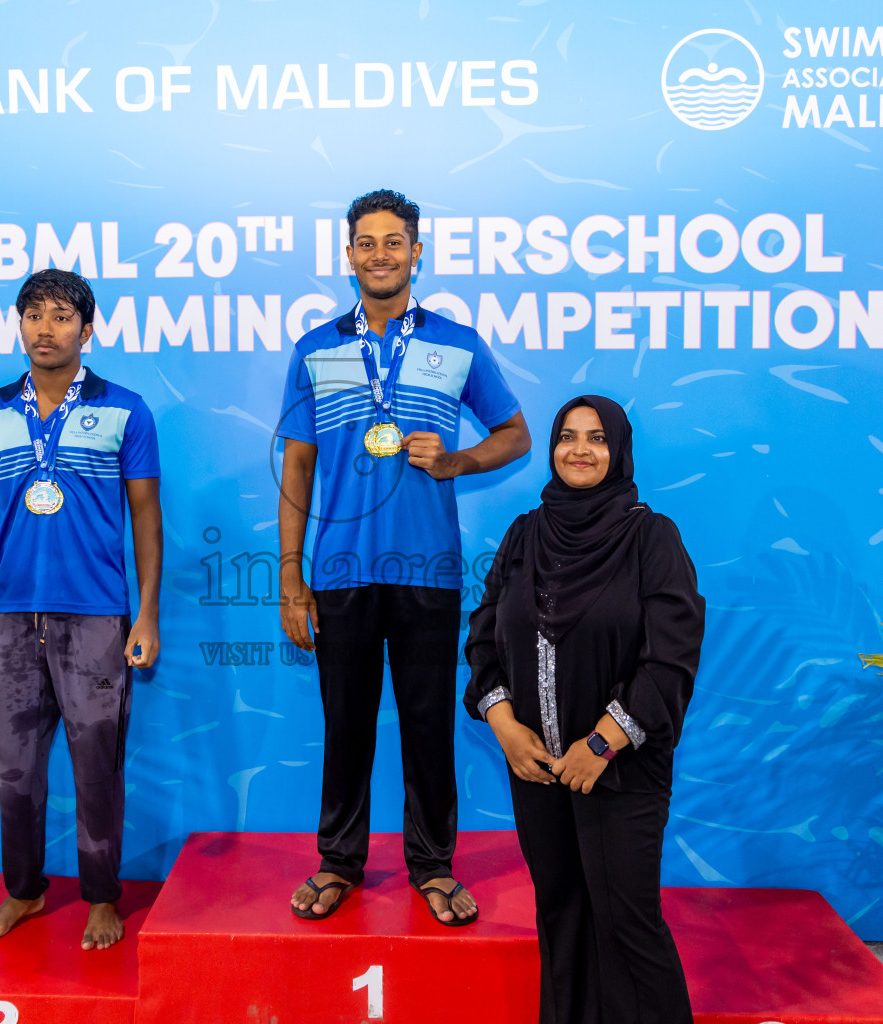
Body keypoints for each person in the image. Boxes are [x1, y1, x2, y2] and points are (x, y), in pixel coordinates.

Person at [276, 188, 531, 925]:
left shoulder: (457, 342)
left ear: (417, 253)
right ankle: (337, 863)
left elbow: (514, 435)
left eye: (395, 242)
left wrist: (458, 462)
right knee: (344, 724)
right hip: (340, 570)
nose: (380, 254)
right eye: (367, 242)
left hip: (429, 569)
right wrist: (292, 576)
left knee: (428, 725)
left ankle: (433, 866)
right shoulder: (316, 349)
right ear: (349, 254)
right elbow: (296, 468)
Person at [464, 396, 703, 1024]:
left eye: (596, 439)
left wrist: (599, 745)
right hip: (537, 771)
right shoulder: (524, 534)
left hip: (617, 771)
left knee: (626, 919)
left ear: (618, 450)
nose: (579, 450)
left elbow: (670, 660)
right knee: (562, 914)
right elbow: (484, 639)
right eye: (567, 437)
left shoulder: (651, 537)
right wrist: (507, 728)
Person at [0, 268, 162, 951]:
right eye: (33, 314)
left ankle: (102, 897)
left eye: (62, 315)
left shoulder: (127, 410)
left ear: (87, 329)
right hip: (8, 620)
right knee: (16, 770)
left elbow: (147, 517)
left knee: (98, 765)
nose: (47, 327)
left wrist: (147, 615)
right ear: (19, 325)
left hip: (96, 618)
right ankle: (24, 893)